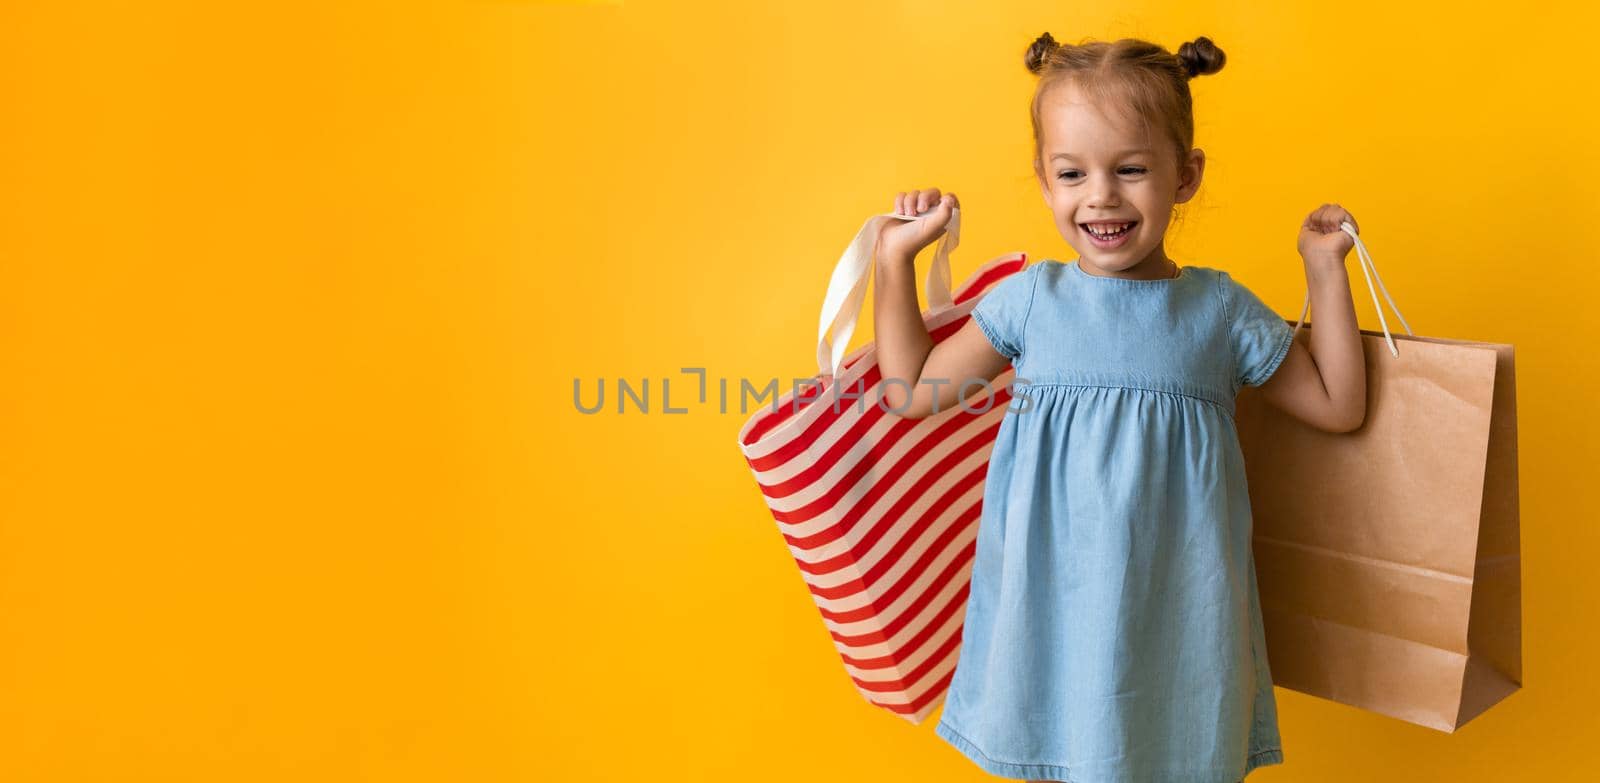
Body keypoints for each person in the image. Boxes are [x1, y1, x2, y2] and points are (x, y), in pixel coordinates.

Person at [869, 34, 1368, 783]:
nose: (1100, 195)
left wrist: (1323, 268)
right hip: (1055, 611)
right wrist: (894, 260)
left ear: (1185, 174)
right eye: (1072, 173)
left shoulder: (1218, 309)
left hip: (1178, 617)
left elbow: (1338, 404)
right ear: (1044, 180)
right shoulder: (1033, 299)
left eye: (1130, 169)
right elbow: (911, 390)